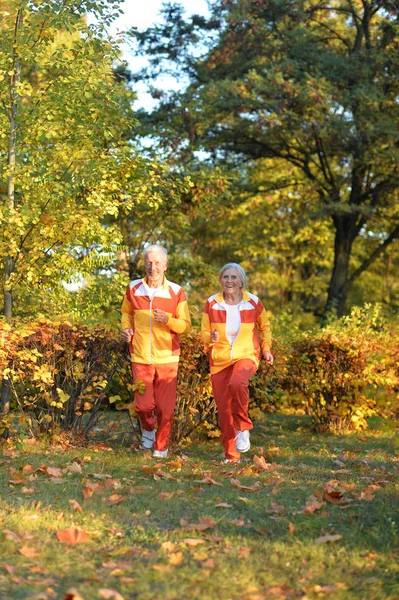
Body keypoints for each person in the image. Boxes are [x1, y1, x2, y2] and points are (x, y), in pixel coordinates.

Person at [121, 244, 191, 458]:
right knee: (143, 406)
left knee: (165, 408)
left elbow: (186, 326)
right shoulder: (134, 288)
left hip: (167, 358)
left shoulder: (176, 291)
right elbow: (126, 312)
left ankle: (161, 447)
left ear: (166, 265)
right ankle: (148, 429)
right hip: (140, 356)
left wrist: (168, 320)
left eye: (157, 263)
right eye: (149, 263)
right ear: (145, 264)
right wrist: (126, 329)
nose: (153, 267)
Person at [201, 263, 273, 463]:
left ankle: (243, 427)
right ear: (220, 281)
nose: (230, 281)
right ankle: (232, 456)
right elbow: (203, 333)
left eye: (234, 277)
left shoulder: (254, 302)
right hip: (220, 359)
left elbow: (265, 327)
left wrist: (266, 348)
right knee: (224, 410)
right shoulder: (212, 303)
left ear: (241, 281)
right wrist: (210, 337)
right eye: (226, 277)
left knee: (238, 382)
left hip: (246, 354)